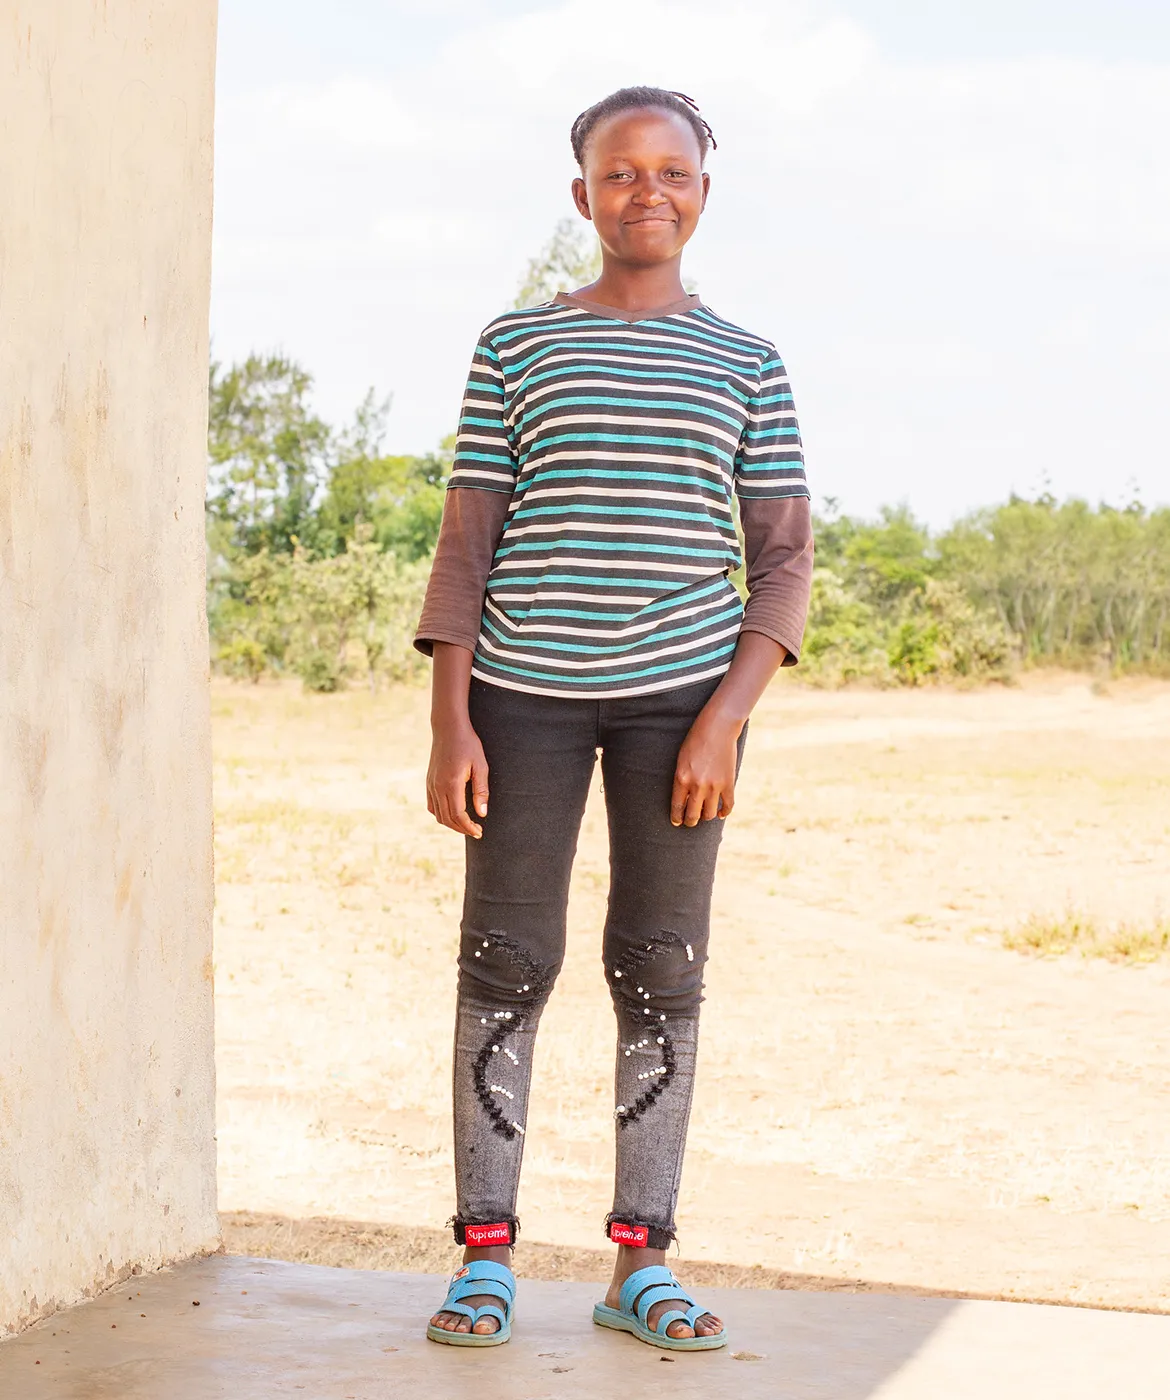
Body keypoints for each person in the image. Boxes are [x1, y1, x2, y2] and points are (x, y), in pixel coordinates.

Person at [413, 85, 813, 1352]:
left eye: (674, 173)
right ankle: (485, 1255)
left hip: (683, 710)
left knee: (661, 969)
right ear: (581, 195)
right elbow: (467, 539)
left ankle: (640, 1259)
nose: (650, 192)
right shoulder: (517, 345)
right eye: (622, 173)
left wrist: (725, 717)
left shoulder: (750, 359)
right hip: (520, 695)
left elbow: (786, 559)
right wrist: (449, 719)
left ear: (705, 193)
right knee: (507, 964)